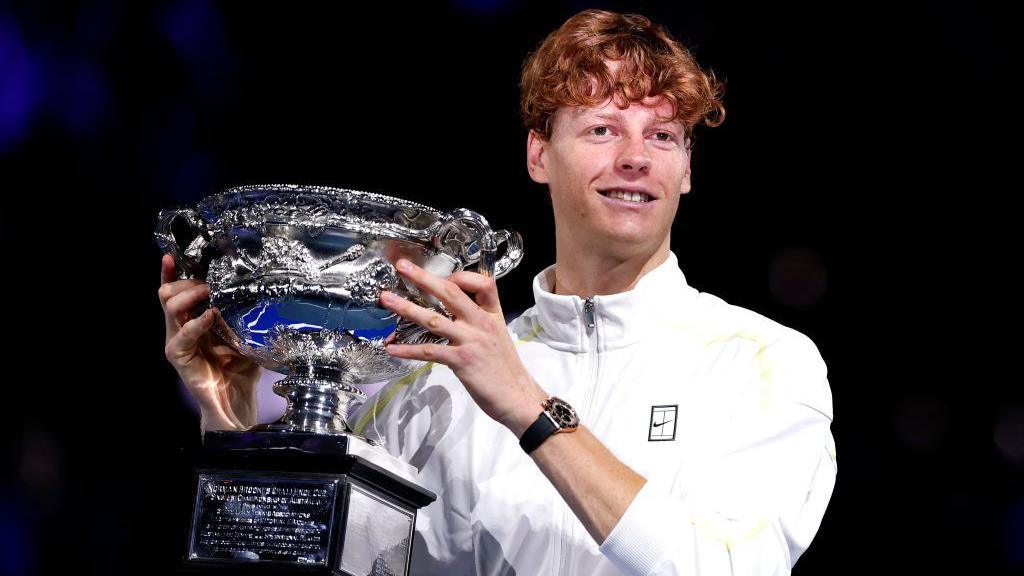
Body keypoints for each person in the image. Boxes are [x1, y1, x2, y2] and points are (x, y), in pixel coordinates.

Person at [160, 9, 836, 575]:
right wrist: (232, 417)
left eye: (663, 136)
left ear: (687, 169)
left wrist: (532, 411)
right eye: (602, 129)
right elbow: (299, 562)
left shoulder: (762, 363)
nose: (636, 157)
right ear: (539, 154)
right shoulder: (430, 381)